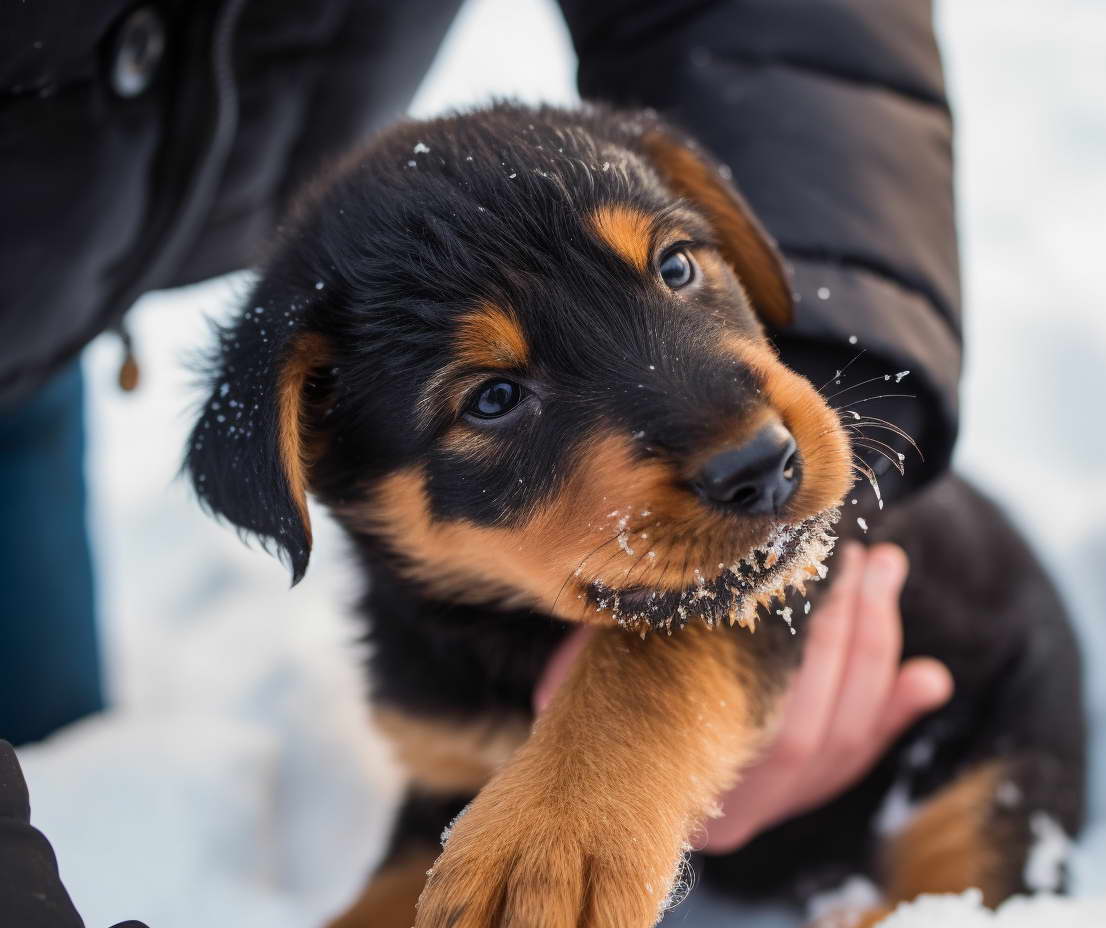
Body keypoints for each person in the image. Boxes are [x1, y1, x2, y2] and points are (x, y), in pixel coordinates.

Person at [0, 1, 962, 922]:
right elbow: (438, 838)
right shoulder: (431, 681)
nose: (737, 446)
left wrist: (853, 344)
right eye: (493, 399)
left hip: (953, 742)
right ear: (314, 460)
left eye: (674, 268)